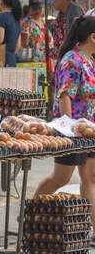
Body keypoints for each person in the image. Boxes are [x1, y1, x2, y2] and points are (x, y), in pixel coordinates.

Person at [32, 16, 95, 225]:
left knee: (90, 178)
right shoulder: (71, 60)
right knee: (61, 178)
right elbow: (64, 95)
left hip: (89, 131)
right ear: (93, 37)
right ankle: (32, 212)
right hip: (72, 132)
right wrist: (72, 128)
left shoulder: (90, 61)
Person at [20, 0, 53, 64]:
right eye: (34, 8)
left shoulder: (43, 21)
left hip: (48, 59)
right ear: (30, 9)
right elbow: (24, 44)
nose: (37, 11)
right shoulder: (26, 24)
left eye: (40, 8)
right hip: (36, 62)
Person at [0, 0, 22, 67]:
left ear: (0, 1)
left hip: (1, 60)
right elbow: (18, 45)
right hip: (12, 60)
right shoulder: (17, 19)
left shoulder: (1, 17)